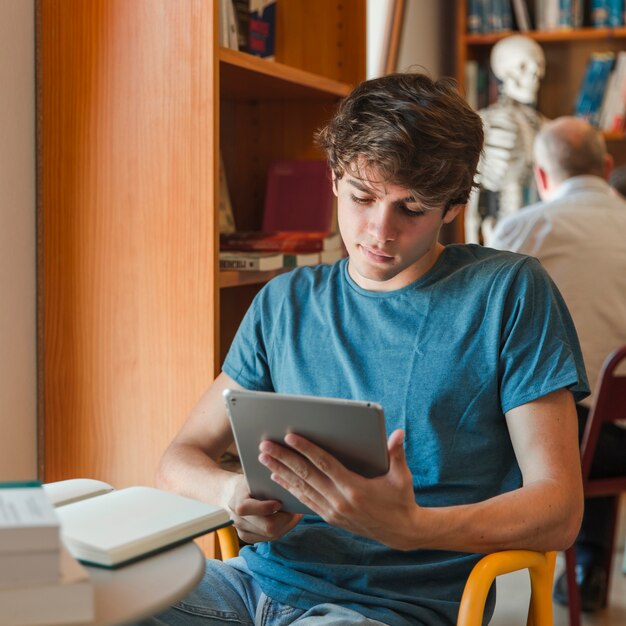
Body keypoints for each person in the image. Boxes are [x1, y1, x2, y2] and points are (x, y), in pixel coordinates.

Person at [148, 73, 587, 626]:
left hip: (401, 606)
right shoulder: (285, 302)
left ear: (452, 207)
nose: (380, 231)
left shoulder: (508, 291)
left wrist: (415, 529)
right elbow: (177, 461)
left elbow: (560, 509)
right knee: (93, 596)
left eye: (413, 208)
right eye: (363, 197)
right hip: (257, 583)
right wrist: (233, 493)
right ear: (334, 178)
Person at [489, 116, 626, 612]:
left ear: (542, 177)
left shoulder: (521, 229)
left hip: (555, 445)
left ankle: (510, 588)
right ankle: (589, 571)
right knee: (595, 414)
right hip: (617, 438)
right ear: (607, 167)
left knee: (528, 414)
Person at [465, 35, 546, 244]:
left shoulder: (542, 124)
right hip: (497, 234)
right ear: (503, 71)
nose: (534, 74)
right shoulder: (484, 123)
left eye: (538, 66)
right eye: (523, 67)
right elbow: (472, 190)